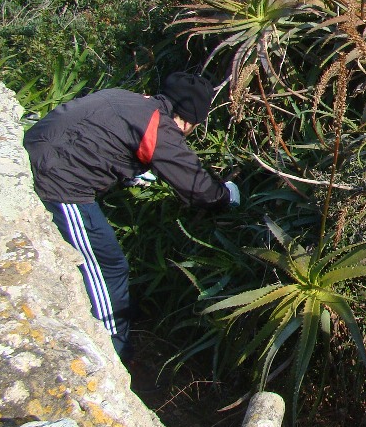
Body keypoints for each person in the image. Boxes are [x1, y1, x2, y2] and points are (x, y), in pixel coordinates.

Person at [23, 72, 240, 360]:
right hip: (60, 184)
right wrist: (227, 196)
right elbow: (199, 190)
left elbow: (98, 135)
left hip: (31, 154)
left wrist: (130, 172)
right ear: (188, 120)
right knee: (108, 267)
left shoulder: (126, 97)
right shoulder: (160, 128)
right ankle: (113, 349)